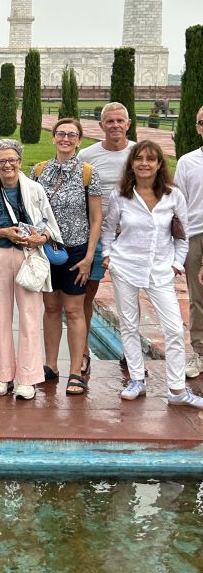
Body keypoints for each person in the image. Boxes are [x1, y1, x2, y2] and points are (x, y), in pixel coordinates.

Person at [102, 140, 203, 408]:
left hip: (160, 270)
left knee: (172, 328)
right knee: (129, 324)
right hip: (125, 267)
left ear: (159, 164)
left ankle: (177, 389)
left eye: (150, 159)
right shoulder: (120, 195)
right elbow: (108, 228)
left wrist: (177, 264)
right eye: (139, 158)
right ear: (132, 163)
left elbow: (183, 234)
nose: (144, 163)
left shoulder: (173, 196)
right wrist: (107, 256)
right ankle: (137, 379)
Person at [0, 138, 62, 399]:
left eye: (12, 160)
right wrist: (4, 232)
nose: (8, 165)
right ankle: (3, 375)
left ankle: (28, 377)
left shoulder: (34, 190)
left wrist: (40, 238)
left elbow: (50, 227)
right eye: (2, 161)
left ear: (20, 161)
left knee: (30, 317)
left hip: (28, 256)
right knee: (1, 318)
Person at [31, 117, 102, 396]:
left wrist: (89, 256)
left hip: (75, 251)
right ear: (53, 137)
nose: (65, 139)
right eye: (61, 134)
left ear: (79, 140)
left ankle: (76, 371)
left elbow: (96, 219)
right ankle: (50, 365)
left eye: (72, 135)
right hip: (48, 249)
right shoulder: (39, 171)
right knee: (50, 308)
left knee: (73, 310)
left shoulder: (88, 173)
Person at [78, 102, 135, 338]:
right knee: (87, 291)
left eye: (120, 121)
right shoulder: (87, 156)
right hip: (97, 232)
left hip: (130, 234)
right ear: (101, 125)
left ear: (128, 124)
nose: (115, 126)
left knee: (131, 295)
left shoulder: (139, 152)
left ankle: (131, 354)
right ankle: (83, 352)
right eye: (110, 121)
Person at [176, 104, 203, 378]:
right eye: (202, 122)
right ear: (197, 127)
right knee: (197, 297)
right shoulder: (187, 162)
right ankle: (200, 352)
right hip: (195, 234)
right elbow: (179, 205)